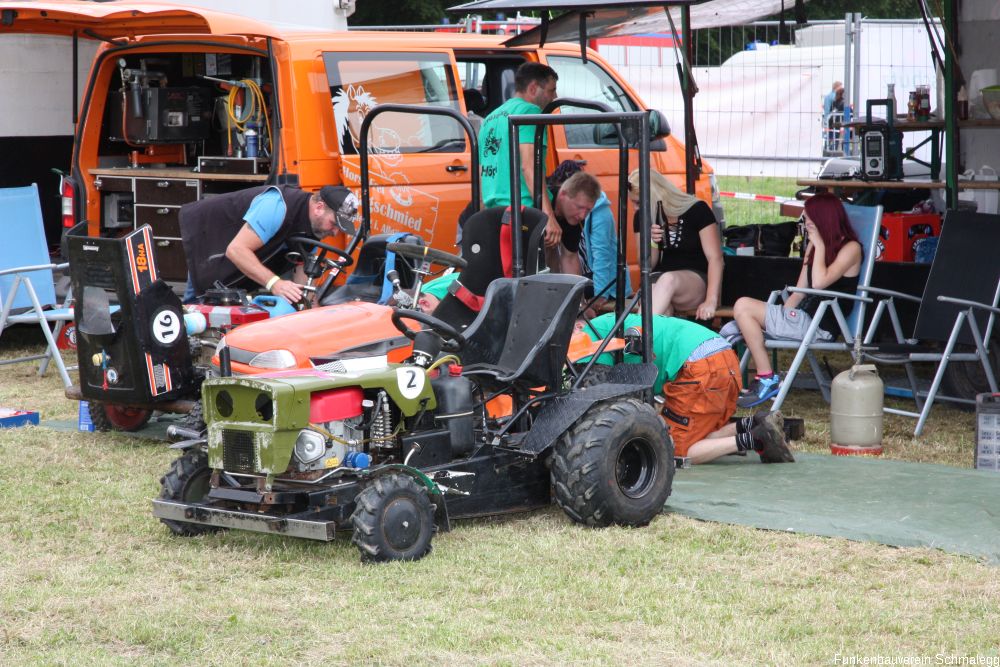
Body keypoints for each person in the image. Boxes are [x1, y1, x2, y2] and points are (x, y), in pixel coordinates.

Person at [581, 312, 794, 465]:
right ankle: (753, 424)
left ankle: (756, 439)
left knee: (669, 448)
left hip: (701, 366)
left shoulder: (586, 340)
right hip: (722, 357)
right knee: (697, 432)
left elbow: (603, 402)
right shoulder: (606, 321)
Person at [731, 193, 862, 408]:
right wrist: (781, 316)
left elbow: (819, 284)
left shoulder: (850, 248)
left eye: (809, 217)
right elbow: (800, 291)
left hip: (821, 325)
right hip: (804, 318)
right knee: (743, 312)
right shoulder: (815, 246)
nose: (805, 222)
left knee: (743, 305)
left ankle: (767, 378)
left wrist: (818, 246)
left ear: (823, 218)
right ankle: (762, 377)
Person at [180, 184, 357, 304]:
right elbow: (236, 250)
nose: (335, 233)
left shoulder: (314, 229)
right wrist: (275, 283)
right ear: (319, 208)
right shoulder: (277, 205)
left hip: (235, 264)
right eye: (334, 224)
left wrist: (312, 315)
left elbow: (305, 283)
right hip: (209, 241)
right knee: (195, 315)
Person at [478, 62, 560, 247]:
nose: (555, 97)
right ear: (533, 88)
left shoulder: (490, 118)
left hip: (495, 213)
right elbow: (529, 167)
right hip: (523, 211)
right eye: (551, 90)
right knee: (533, 274)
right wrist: (548, 217)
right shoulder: (531, 112)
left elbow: (482, 172)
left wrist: (481, 215)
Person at [627, 169, 722, 319]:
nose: (635, 208)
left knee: (668, 280)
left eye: (638, 202)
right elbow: (647, 265)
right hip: (659, 282)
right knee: (657, 302)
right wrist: (652, 242)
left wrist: (711, 300)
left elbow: (716, 258)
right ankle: (640, 339)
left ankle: (636, 338)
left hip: (694, 281)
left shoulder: (698, 210)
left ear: (656, 195)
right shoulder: (642, 216)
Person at [547, 161, 631, 312]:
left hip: (602, 284)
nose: (582, 215)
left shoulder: (572, 218)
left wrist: (580, 306)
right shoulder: (540, 201)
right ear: (563, 194)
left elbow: (570, 258)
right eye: (579, 207)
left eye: (588, 210)